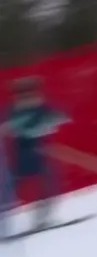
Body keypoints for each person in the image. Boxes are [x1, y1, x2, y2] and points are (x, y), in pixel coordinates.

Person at [1, 76, 67, 229]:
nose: (28, 97)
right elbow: (8, 128)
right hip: (22, 155)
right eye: (23, 94)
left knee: (48, 187)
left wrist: (50, 124)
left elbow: (56, 119)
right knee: (15, 188)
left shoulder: (41, 108)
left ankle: (42, 219)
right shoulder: (14, 112)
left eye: (30, 93)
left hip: (40, 154)